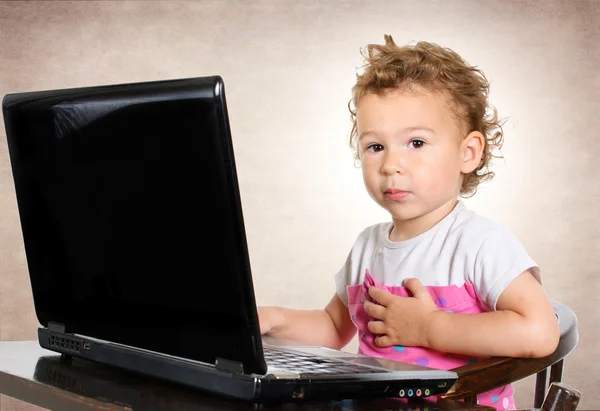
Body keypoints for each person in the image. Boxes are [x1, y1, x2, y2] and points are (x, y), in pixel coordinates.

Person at [258, 35, 559, 410]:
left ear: (468, 153)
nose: (390, 164)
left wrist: (429, 327)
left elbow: (541, 331)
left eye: (415, 143)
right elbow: (334, 329)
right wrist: (272, 319)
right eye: (375, 146)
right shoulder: (368, 245)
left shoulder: (479, 243)